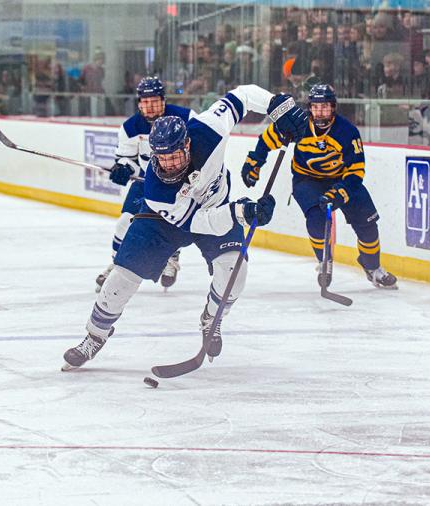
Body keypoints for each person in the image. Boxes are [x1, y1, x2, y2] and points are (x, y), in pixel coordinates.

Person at [62, 86, 305, 371]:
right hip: (164, 222)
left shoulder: (209, 128)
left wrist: (277, 106)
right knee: (121, 278)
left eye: (174, 156)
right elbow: (198, 223)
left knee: (235, 273)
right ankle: (94, 336)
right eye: (161, 157)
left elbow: (242, 95)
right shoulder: (156, 190)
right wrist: (241, 212)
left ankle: (211, 320)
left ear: (187, 144)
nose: (168, 164)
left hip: (216, 205)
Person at [241, 84, 397, 289]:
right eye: (315, 107)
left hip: (343, 180)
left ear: (333, 108)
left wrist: (340, 191)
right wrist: (255, 161)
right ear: (310, 108)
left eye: (324, 107)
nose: (320, 112)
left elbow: (356, 170)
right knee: (316, 218)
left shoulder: (347, 131)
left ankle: (373, 268)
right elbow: (267, 139)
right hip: (307, 180)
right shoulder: (298, 124)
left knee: (367, 225)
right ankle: (324, 261)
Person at [95, 76, 195, 293]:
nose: (149, 106)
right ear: (139, 103)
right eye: (144, 101)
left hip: (181, 183)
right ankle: (117, 265)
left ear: (163, 100)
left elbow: (199, 148)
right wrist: (123, 169)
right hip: (146, 182)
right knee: (124, 223)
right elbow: (127, 159)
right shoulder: (131, 127)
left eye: (154, 101)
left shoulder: (186, 117)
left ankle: (171, 256)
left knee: (175, 223)